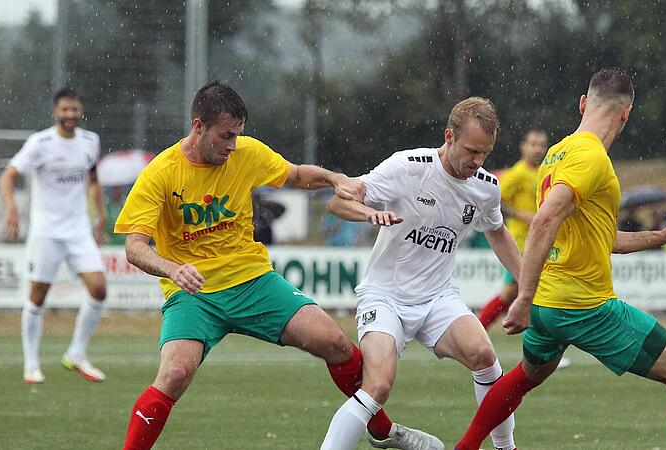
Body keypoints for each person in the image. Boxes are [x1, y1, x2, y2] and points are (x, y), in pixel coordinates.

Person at [114, 82, 440, 450]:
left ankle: (382, 431)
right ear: (198, 126)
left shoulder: (245, 153)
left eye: (237, 136)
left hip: (253, 282)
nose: (233, 146)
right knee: (174, 373)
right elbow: (134, 248)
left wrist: (335, 179)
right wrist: (173, 269)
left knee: (336, 343)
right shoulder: (160, 174)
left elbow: (296, 175)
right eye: (225, 136)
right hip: (194, 293)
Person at [454, 69, 666, 450]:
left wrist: (662, 235)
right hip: (583, 306)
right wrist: (522, 297)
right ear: (626, 114)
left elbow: (601, 239)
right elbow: (544, 221)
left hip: (549, 305)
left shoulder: (557, 152)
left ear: (583, 104)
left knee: (526, 376)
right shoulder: (591, 156)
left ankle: (465, 447)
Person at [321, 97, 522, 450]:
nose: (478, 162)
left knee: (485, 357)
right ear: (448, 136)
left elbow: (497, 232)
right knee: (378, 386)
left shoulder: (486, 187)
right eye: (472, 151)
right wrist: (369, 214)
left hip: (439, 297)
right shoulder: (408, 167)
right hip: (386, 295)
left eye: (485, 154)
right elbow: (338, 202)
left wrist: (529, 285)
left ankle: (506, 448)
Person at [0, 87, 108, 384]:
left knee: (99, 288)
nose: (70, 115)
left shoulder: (90, 141)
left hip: (78, 230)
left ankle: (76, 354)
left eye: (74, 109)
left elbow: (94, 181)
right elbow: (7, 177)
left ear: (80, 111)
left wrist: (100, 215)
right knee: (38, 296)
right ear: (55, 111)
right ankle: (31, 364)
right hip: (46, 231)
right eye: (65, 110)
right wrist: (11, 210)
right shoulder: (40, 143)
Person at [476, 128, 548, 329]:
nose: (538, 149)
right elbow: (496, 200)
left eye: (542, 145)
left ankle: (478, 331)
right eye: (533, 144)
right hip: (521, 242)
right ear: (523, 147)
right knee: (517, 293)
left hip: (539, 241)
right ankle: (478, 330)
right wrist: (521, 215)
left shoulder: (543, 172)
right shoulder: (517, 173)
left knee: (523, 293)